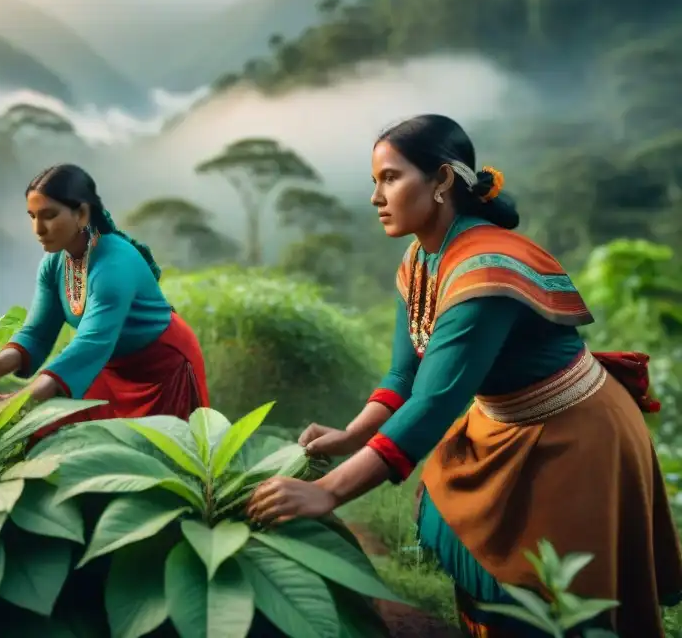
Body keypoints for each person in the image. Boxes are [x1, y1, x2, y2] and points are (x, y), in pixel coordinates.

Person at [246, 115, 682, 637]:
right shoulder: (420, 259)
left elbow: (433, 403)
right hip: (502, 425)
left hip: (573, 439)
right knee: (476, 562)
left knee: (548, 597)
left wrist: (331, 493)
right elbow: (403, 374)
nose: (376, 197)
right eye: (374, 181)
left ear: (442, 182)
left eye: (390, 177)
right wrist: (351, 437)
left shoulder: (487, 271)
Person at [0, 164, 209, 426]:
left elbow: (89, 344)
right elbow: (37, 332)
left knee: (155, 457)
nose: (38, 229)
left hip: (162, 370)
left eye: (49, 215)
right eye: (32, 216)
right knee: (56, 436)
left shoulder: (113, 265)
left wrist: (17, 402)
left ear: (82, 214)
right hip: (107, 366)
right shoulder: (54, 263)